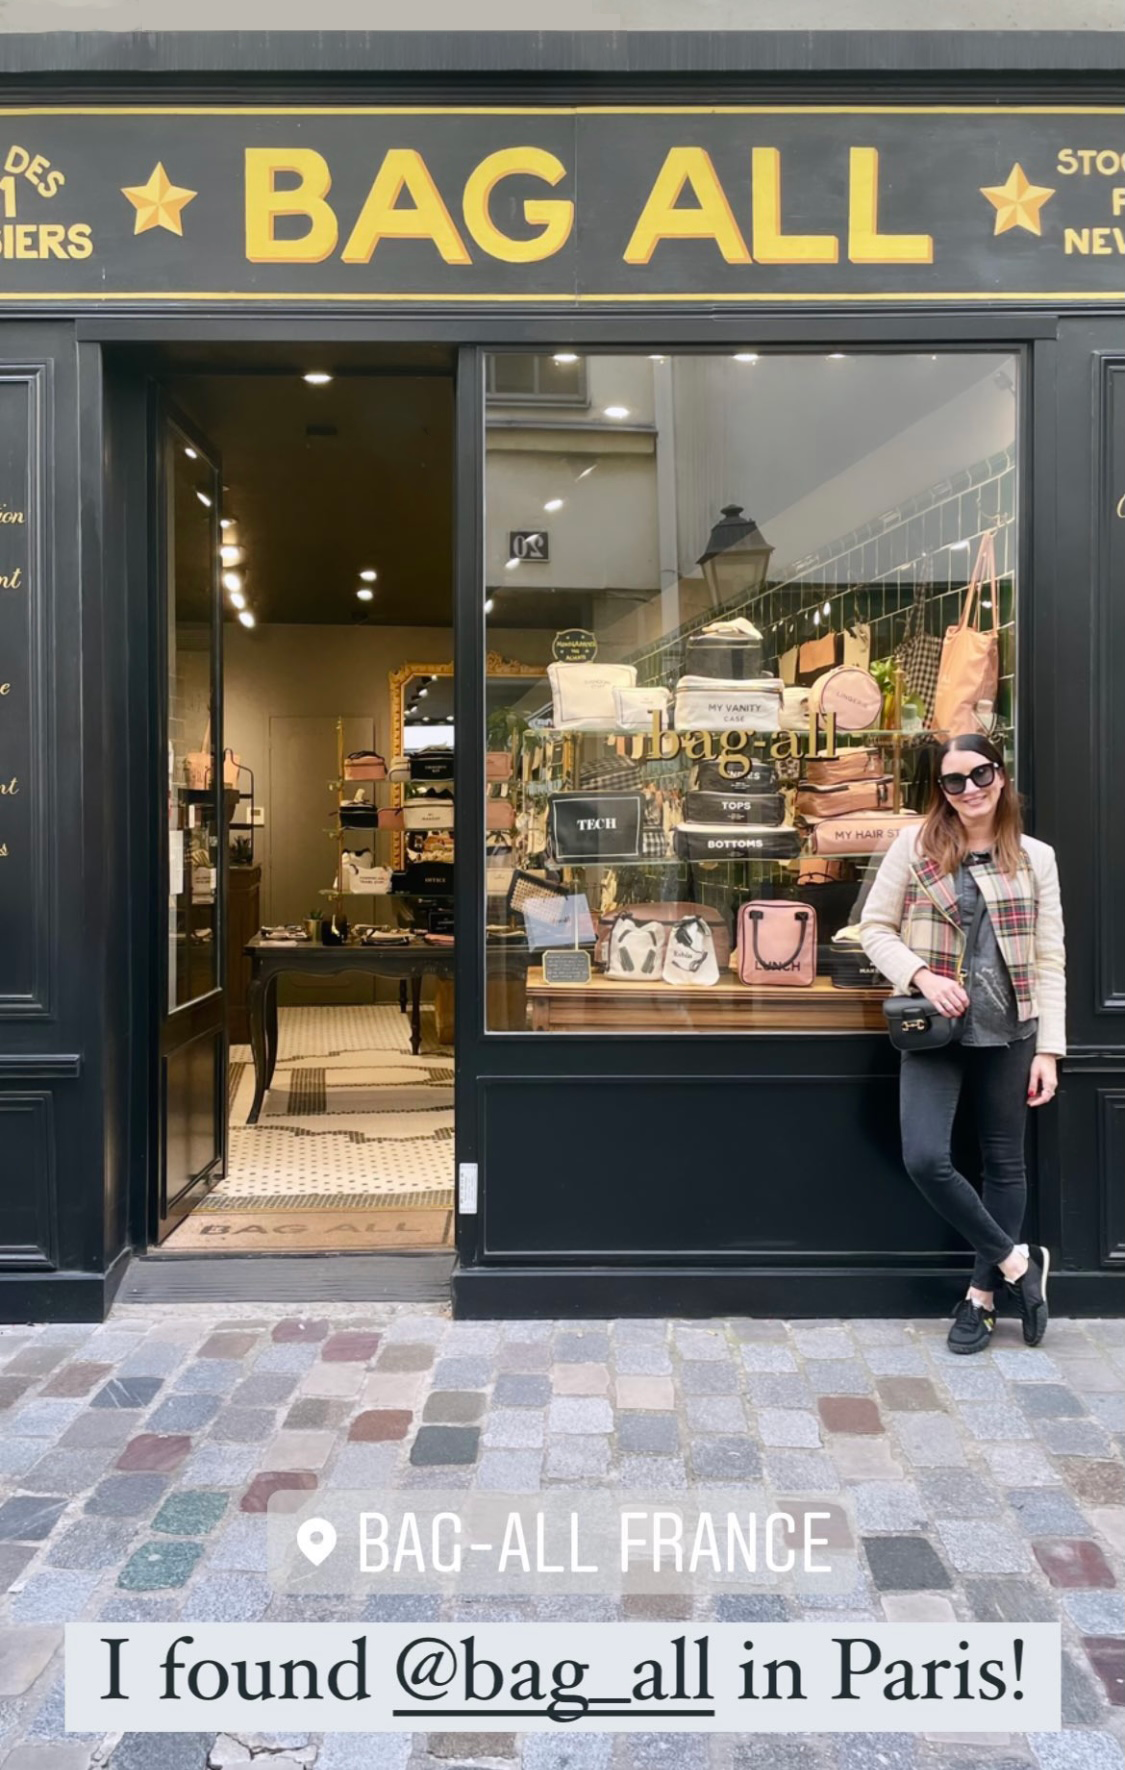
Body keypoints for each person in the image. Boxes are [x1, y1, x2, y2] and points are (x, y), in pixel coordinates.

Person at [859, 732, 1066, 1354]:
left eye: (980, 776)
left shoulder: (1035, 857)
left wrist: (1049, 1049)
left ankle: (979, 1299)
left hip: (1012, 1031)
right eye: (954, 782)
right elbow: (872, 928)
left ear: (1000, 778)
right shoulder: (915, 845)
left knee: (1004, 1163)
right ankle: (1019, 1266)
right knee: (926, 1156)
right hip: (935, 1029)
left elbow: (1049, 958)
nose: (970, 790)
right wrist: (921, 975)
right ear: (941, 792)